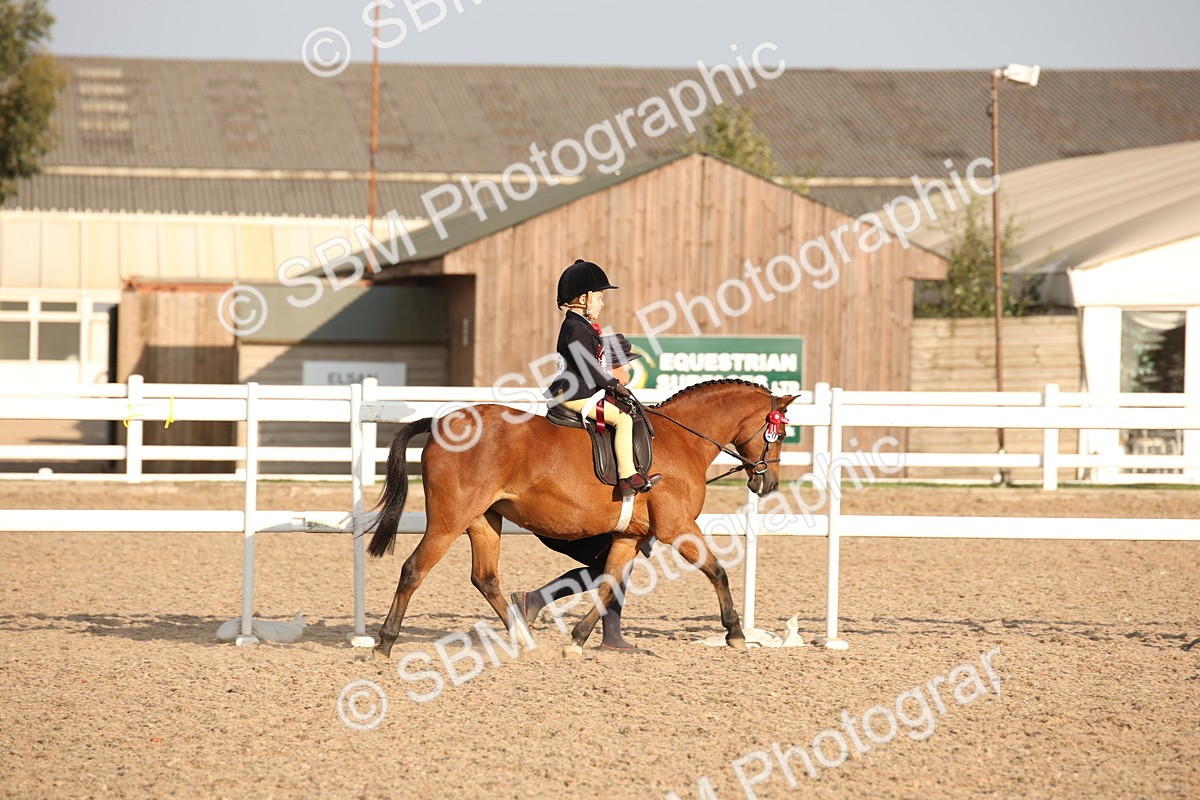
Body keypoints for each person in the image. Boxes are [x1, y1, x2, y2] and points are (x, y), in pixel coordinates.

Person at [546, 258, 660, 497]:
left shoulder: (580, 325)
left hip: (579, 390)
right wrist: (613, 384)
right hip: (573, 393)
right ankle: (627, 476)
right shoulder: (576, 328)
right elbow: (588, 366)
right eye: (599, 297)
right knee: (623, 420)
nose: (602, 303)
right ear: (584, 299)